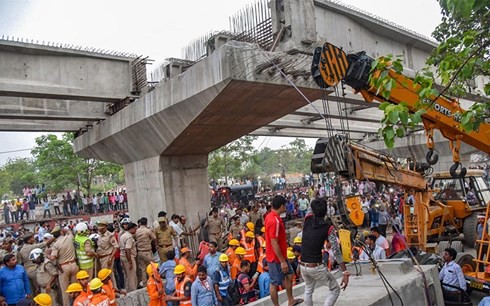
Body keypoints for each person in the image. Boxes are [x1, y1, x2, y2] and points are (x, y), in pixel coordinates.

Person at [300, 198, 350, 306]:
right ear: (326, 211)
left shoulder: (307, 219)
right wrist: (345, 272)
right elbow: (336, 251)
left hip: (303, 265)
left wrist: (315, 194)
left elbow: (311, 202)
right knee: (335, 289)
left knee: (308, 289)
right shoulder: (329, 228)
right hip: (315, 267)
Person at [265, 195, 302, 306]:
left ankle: (291, 300)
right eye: (285, 205)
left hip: (280, 255)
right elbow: (274, 242)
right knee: (274, 283)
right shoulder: (274, 221)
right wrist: (282, 261)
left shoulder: (270, 217)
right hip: (276, 258)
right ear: (281, 206)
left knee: (290, 276)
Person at [48, 226, 79, 306]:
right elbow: (70, 231)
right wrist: (65, 230)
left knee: (65, 290)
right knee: (75, 288)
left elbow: (53, 257)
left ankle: (67, 304)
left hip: (63, 267)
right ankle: (77, 303)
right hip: (74, 264)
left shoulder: (55, 244)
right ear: (61, 232)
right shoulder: (69, 237)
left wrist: (48, 255)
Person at [96, 221, 119, 290]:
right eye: (99, 229)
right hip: (101, 258)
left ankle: (114, 289)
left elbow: (116, 247)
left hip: (107, 257)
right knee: (105, 275)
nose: (100, 230)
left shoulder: (110, 236)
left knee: (108, 275)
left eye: (102, 229)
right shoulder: (100, 235)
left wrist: (110, 258)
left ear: (105, 227)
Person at [135, 217, 156, 285]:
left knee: (143, 268)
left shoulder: (137, 231)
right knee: (151, 266)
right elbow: (154, 238)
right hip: (147, 251)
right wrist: (149, 241)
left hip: (140, 252)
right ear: (146, 223)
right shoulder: (147, 230)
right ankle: (153, 280)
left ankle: (144, 282)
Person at [119, 222, 138, 292]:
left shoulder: (123, 235)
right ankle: (133, 291)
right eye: (135, 229)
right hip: (128, 257)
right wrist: (130, 262)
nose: (136, 231)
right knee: (132, 276)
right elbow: (127, 249)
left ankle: (128, 290)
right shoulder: (129, 237)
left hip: (123, 257)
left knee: (127, 276)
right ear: (132, 229)